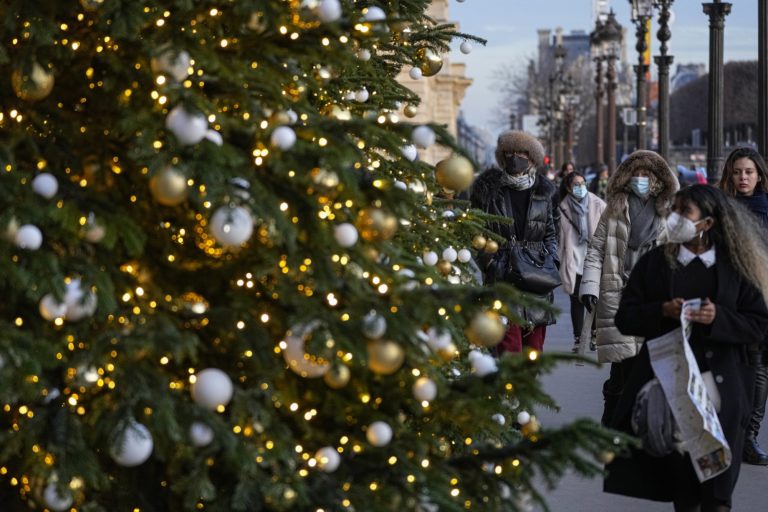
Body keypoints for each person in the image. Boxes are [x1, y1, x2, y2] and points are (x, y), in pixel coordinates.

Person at [605, 185, 768, 512]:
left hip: (725, 392)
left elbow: (759, 324)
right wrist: (661, 311)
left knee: (718, 494)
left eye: (685, 212)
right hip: (672, 389)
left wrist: (718, 318)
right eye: (674, 210)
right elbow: (625, 318)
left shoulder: (737, 265)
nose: (675, 218)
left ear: (707, 223)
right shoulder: (655, 263)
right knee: (686, 493)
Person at [579, 150, 679, 425]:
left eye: (646, 174)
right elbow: (597, 248)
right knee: (622, 364)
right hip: (618, 291)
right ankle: (612, 418)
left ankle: (635, 422)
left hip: (654, 296)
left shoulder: (669, 210)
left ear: (658, 178)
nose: (640, 179)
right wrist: (589, 286)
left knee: (647, 362)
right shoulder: (615, 207)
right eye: (635, 174)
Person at [471, 131, 559, 354]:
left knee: (534, 350)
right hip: (503, 277)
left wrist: (551, 260)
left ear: (531, 158)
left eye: (520, 153)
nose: (515, 157)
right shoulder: (487, 191)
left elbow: (550, 232)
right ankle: (509, 390)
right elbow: (476, 232)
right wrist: (491, 263)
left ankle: (525, 388)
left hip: (536, 277)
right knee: (509, 349)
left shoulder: (543, 192)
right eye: (509, 153)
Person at [718, 146, 768, 465]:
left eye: (748, 171)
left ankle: (749, 436)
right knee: (731, 364)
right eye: (737, 172)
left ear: (759, 174)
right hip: (731, 295)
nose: (743, 177)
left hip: (762, 294)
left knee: (760, 366)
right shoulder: (722, 206)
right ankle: (730, 433)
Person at [557, 172, 607, 353]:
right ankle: (579, 338)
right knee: (576, 299)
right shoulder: (562, 208)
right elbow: (558, 236)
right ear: (569, 188)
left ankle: (593, 333)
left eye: (582, 183)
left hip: (593, 260)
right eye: (576, 184)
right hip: (573, 260)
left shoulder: (598, 204)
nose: (580, 187)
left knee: (591, 298)